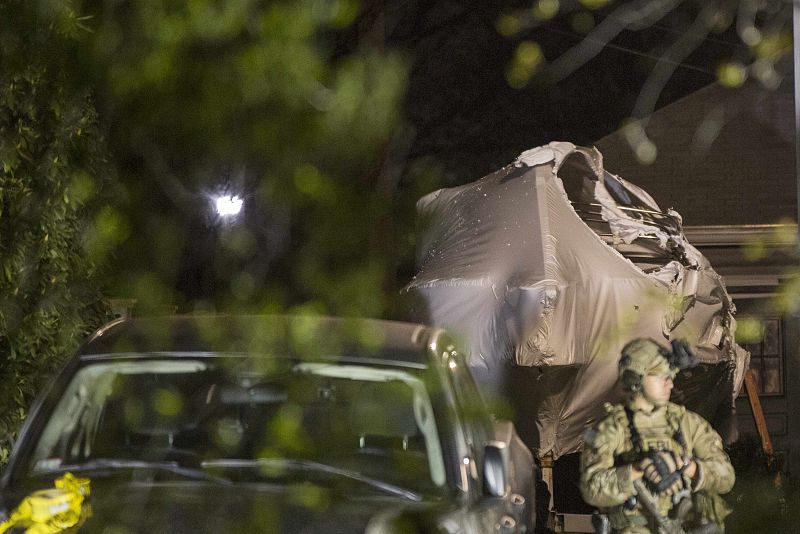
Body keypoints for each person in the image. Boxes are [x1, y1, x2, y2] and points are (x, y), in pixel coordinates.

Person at [579, 338, 735, 533]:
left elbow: (726, 477)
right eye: (662, 377)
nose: (670, 384)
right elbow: (591, 489)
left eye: (671, 377)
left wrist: (686, 466)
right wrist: (637, 469)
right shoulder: (610, 428)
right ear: (636, 379)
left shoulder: (686, 423)